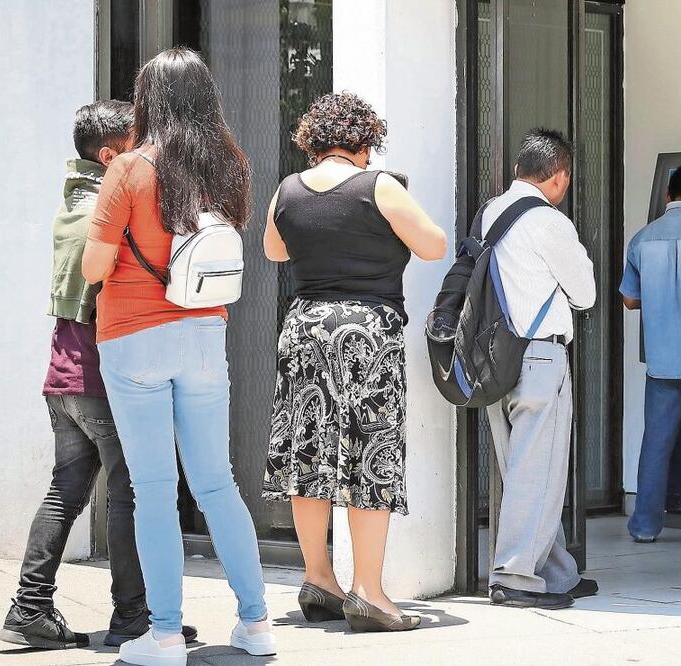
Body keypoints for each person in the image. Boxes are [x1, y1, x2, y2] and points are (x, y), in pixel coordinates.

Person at [81, 48, 274, 665]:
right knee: (218, 483)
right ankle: (257, 623)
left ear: (148, 99)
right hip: (203, 335)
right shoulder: (229, 165)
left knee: (154, 488)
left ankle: (164, 634)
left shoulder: (130, 170)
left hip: (134, 337)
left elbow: (93, 266)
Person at [0, 101, 196, 652]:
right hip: (102, 378)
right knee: (131, 491)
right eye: (138, 147)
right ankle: (136, 617)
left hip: (64, 375)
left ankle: (29, 608)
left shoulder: (74, 203)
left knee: (67, 492)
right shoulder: (102, 213)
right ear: (111, 156)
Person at [261, 91, 447, 633]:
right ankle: (369, 591)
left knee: (307, 451)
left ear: (314, 141)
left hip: (305, 328)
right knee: (371, 451)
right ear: (364, 140)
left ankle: (319, 577)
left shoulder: (288, 190)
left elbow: (275, 251)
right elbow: (434, 245)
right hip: (365, 330)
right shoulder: (378, 186)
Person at [483, 129, 598, 610]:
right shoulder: (549, 222)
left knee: (525, 469)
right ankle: (513, 577)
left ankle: (554, 573)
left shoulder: (492, 213)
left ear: (517, 171)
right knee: (541, 472)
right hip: (540, 356)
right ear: (560, 178)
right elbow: (586, 293)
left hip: (495, 359)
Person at [621, 163, 681, 547]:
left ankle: (645, 525)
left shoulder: (642, 239)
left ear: (667, 196)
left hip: (662, 361)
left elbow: (629, 299)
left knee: (656, 444)